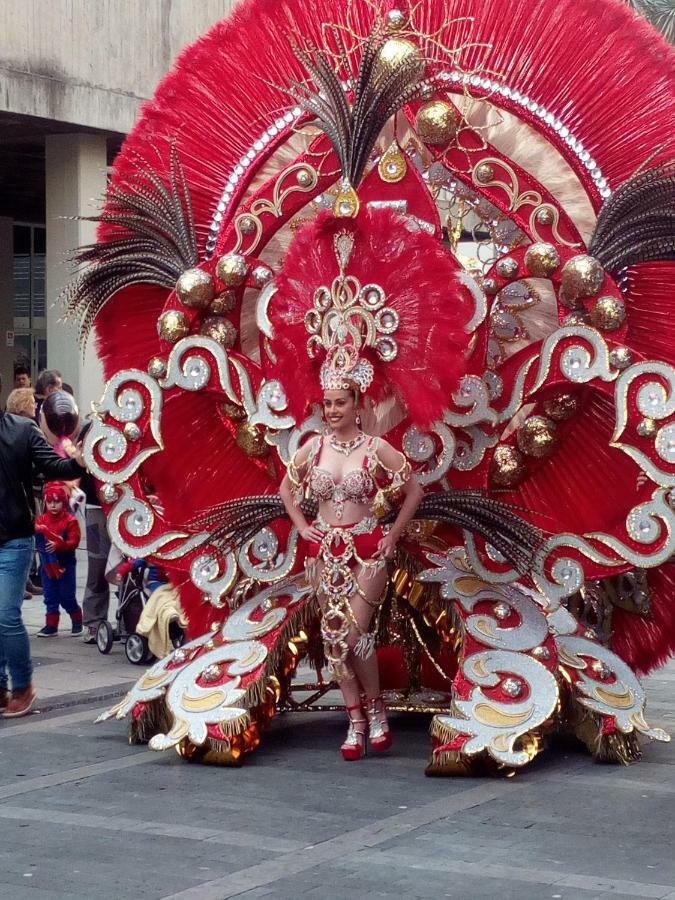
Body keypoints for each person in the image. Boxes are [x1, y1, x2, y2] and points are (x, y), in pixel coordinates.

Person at [280, 383, 423, 759]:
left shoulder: (377, 449)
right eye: (326, 403)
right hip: (325, 552)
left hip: (366, 551)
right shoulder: (313, 448)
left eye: (340, 402)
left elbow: (414, 492)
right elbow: (285, 490)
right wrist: (301, 524)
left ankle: (376, 709)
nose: (332, 410)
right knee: (334, 639)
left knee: (356, 634)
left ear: (357, 404)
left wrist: (392, 535)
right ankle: (356, 719)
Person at [0, 373, 85, 717]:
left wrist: (79, 460)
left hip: (13, 539)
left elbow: (55, 465)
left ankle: (23, 686)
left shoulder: (20, 430)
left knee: (6, 615)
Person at [34, 482, 83, 637]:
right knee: (50, 595)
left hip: (66, 563)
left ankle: (77, 619)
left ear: (64, 501)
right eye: (50, 502)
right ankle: (51, 625)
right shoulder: (41, 520)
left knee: (67, 595)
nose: (53, 505)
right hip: (47, 564)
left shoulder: (70, 520)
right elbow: (37, 539)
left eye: (57, 501)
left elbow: (74, 542)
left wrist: (60, 545)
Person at [78, 421, 112, 644]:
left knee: (127, 568)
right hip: (96, 507)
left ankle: (130, 616)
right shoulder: (92, 426)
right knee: (98, 564)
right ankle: (93, 621)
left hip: (125, 505)